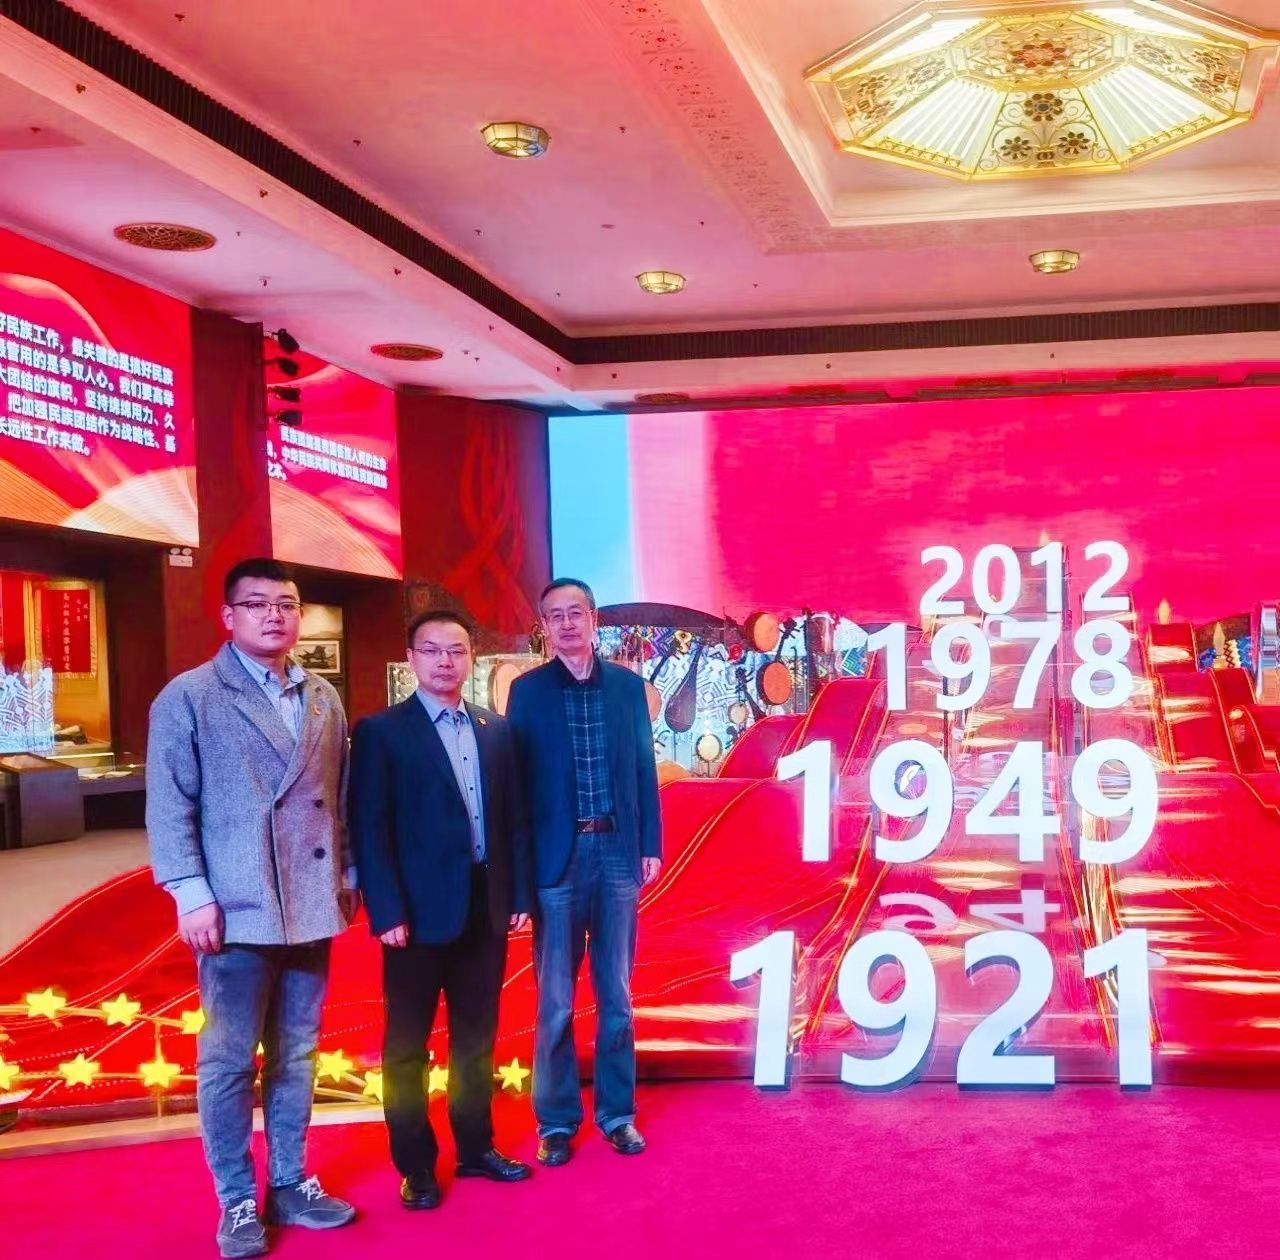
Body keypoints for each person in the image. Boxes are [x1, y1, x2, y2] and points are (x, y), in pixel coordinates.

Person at [146, 558, 358, 1259]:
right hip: (235, 906)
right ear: (228, 616)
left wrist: (347, 874)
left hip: (311, 902)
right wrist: (191, 892)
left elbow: (339, 798)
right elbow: (170, 805)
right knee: (230, 1060)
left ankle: (290, 1180)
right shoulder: (191, 696)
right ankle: (236, 1198)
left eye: (286, 604)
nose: (275, 615)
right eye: (258, 604)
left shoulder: (322, 695)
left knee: (297, 1051)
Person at [349, 609, 532, 1211]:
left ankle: (476, 1148)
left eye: (456, 650)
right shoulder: (382, 732)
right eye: (431, 650)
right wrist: (385, 910)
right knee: (407, 1045)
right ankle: (416, 1166)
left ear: (470, 658)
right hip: (415, 914)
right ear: (412, 659)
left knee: (476, 1038)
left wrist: (517, 895)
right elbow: (368, 827)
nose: (445, 660)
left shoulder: (495, 730)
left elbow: (513, 822)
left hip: (486, 906)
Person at [506, 578, 662, 1167]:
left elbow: (644, 769)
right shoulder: (527, 692)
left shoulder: (627, 687)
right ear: (544, 626)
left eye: (576, 613)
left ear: (594, 619)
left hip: (618, 852)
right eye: (556, 615)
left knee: (617, 994)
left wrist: (649, 842)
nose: (567, 623)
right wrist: (522, 875)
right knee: (555, 1001)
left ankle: (618, 1115)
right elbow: (518, 789)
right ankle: (555, 1121)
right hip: (558, 859)